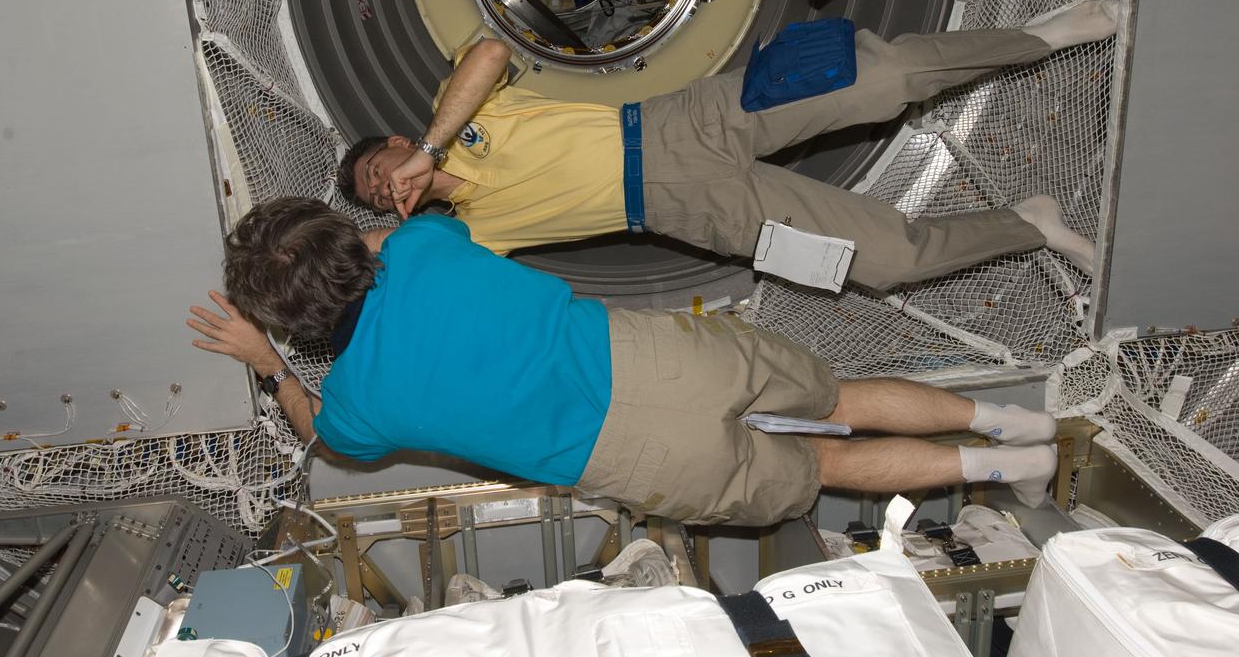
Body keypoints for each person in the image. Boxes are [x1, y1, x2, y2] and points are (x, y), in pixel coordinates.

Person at [188, 197, 1060, 527]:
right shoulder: (419, 245)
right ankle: (1013, 420)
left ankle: (1007, 466)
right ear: (347, 239)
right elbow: (408, 230)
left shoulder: (357, 406)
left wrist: (270, 362)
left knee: (825, 462)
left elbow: (321, 434)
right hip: (656, 360)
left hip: (627, 454)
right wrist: (343, 243)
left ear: (297, 322)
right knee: (841, 394)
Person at [337, 1, 1116, 290]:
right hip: (692, 210)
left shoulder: (456, 114)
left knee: (883, 80)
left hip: (681, 123)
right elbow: (379, 264)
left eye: (379, 168)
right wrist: (392, 222)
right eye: (378, 193)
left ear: (401, 142)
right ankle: (1031, 224)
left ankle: (1039, 38)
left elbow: (490, 55)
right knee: (886, 263)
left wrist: (433, 150)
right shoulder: (469, 235)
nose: (386, 184)